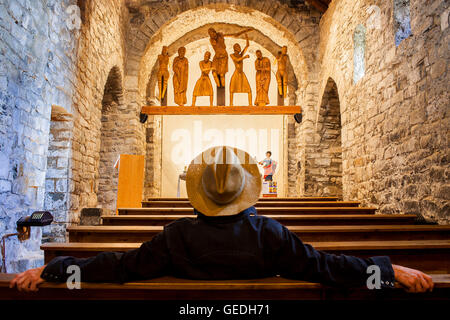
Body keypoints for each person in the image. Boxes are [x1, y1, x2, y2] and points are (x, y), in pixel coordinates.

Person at [10, 146, 434, 294]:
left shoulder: (176, 237)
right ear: (244, 192)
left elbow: (117, 268)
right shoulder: (268, 234)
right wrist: (386, 270)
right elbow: (325, 268)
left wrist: (54, 270)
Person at [230, 34, 252, 107]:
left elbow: (247, 46)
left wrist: (246, 37)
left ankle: (250, 104)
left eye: (239, 47)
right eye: (238, 47)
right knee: (232, 89)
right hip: (236, 72)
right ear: (235, 48)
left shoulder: (240, 54)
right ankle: (231, 104)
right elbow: (237, 60)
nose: (239, 48)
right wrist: (244, 57)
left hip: (241, 73)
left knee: (248, 89)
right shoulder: (232, 55)